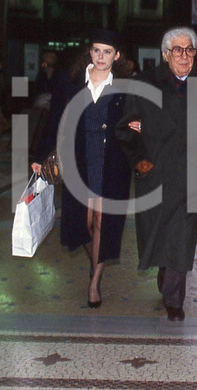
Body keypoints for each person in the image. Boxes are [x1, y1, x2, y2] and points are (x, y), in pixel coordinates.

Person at [115, 27, 197, 322]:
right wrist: (138, 159)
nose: (184, 56)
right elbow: (126, 127)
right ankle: (166, 274)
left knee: (182, 237)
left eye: (189, 50)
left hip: (190, 175)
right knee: (159, 234)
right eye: (177, 50)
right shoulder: (144, 84)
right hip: (155, 173)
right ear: (165, 55)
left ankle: (175, 300)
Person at [32, 29, 132, 308]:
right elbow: (55, 120)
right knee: (82, 224)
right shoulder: (71, 81)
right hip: (79, 160)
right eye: (97, 50)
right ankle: (96, 261)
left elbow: (133, 124)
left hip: (112, 164)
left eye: (107, 52)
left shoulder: (125, 86)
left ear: (117, 55)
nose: (101, 57)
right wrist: (41, 154)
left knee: (103, 221)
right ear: (90, 52)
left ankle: (94, 282)